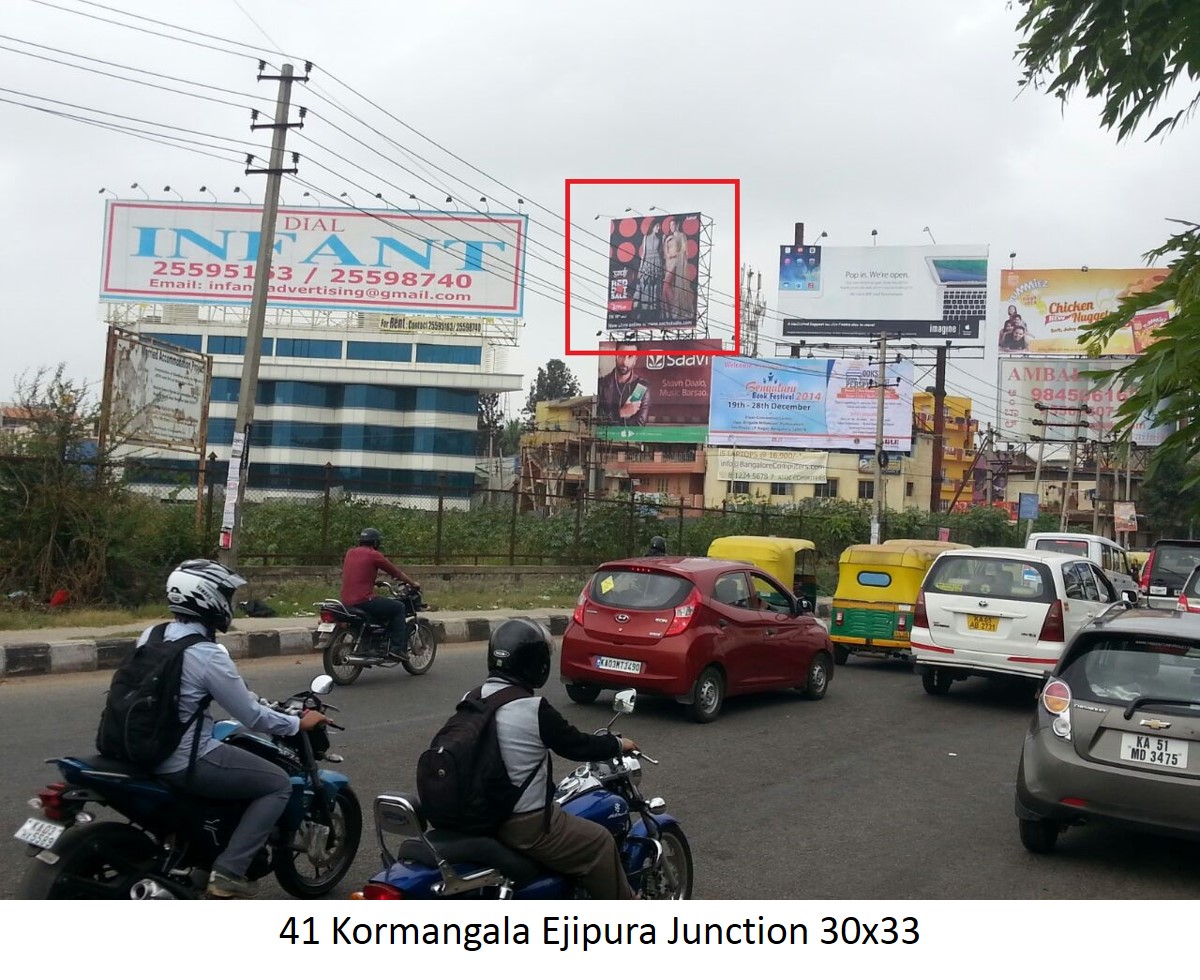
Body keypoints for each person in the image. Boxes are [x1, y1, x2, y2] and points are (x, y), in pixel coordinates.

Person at [152, 559, 327, 899]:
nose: (229, 603)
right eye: (226, 594)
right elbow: (251, 717)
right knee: (276, 783)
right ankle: (229, 872)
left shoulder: (153, 635)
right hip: (180, 757)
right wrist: (296, 722)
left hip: (140, 747)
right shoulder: (206, 654)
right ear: (208, 598)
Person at [482, 618, 639, 900]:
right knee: (600, 841)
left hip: (479, 816)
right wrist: (617, 743)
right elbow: (578, 745)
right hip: (522, 826)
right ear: (537, 663)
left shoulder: (472, 699)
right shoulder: (532, 708)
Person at [340, 527, 421, 658]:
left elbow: (359, 572)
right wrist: (413, 583)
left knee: (378, 608)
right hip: (363, 600)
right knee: (398, 607)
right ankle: (397, 648)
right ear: (376, 542)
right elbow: (395, 572)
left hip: (345, 600)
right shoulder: (374, 555)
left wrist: (372, 581)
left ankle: (371, 643)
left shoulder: (350, 552)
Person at [596, 343, 651, 425]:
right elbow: (597, 420)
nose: (625, 362)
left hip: (629, 437)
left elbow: (639, 425)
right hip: (605, 437)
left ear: (635, 360)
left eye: (630, 356)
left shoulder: (641, 386)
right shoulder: (601, 384)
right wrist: (621, 413)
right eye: (621, 355)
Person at [630, 219, 664, 320]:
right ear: (653, 226)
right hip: (648, 261)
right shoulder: (646, 237)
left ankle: (653, 309)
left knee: (655, 286)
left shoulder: (660, 238)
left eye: (659, 226)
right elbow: (643, 254)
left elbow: (661, 253)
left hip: (657, 261)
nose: (659, 228)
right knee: (644, 284)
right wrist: (641, 268)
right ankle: (644, 308)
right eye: (657, 226)